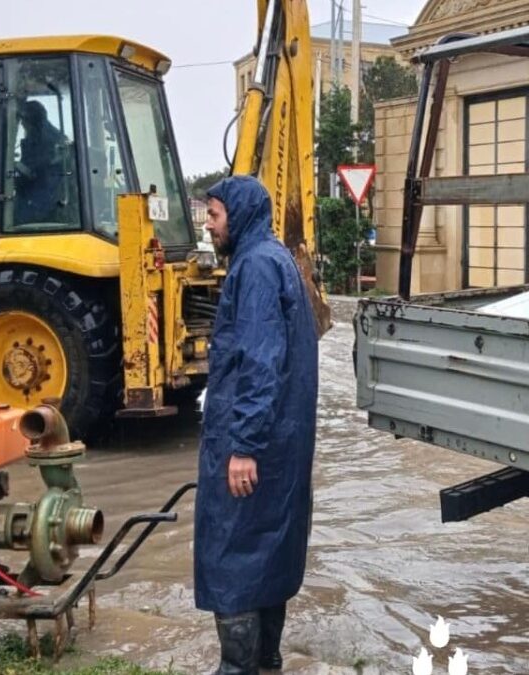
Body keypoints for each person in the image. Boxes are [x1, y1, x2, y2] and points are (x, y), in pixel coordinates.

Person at [195, 175, 319, 674]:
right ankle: (266, 659)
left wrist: (243, 446)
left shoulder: (256, 267)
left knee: (232, 552)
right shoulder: (274, 258)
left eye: (214, 215)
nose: (208, 225)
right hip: (281, 439)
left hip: (254, 441)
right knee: (268, 547)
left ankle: (238, 668)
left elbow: (260, 361)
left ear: (239, 215)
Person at [14, 100, 64, 224]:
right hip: (46, 194)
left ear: (30, 120)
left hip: (41, 201)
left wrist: (7, 170)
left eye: (22, 120)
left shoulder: (42, 139)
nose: (22, 124)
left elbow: (30, 171)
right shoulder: (52, 134)